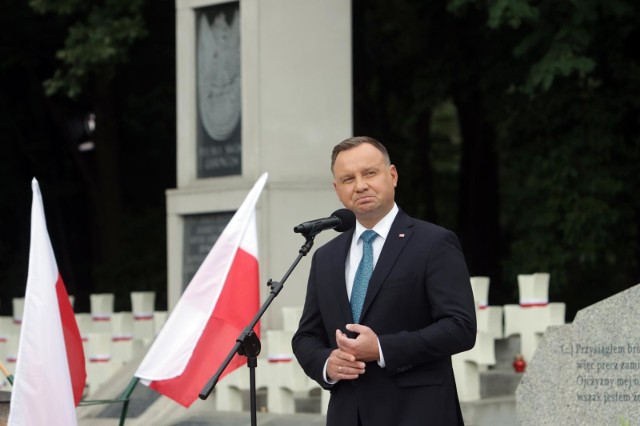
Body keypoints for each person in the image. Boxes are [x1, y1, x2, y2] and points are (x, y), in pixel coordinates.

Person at [291, 136, 477, 426]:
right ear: (337, 190)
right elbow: (306, 337)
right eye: (348, 179)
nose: (360, 185)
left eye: (370, 173)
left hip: (417, 413)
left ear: (392, 176)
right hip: (348, 415)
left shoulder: (434, 243)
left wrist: (381, 349)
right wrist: (328, 362)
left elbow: (461, 327)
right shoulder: (325, 257)